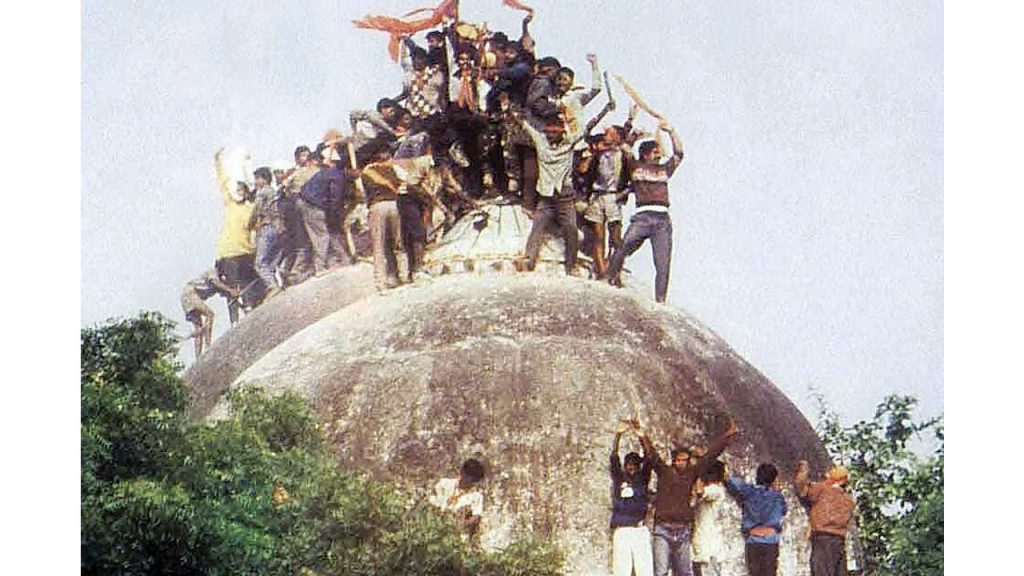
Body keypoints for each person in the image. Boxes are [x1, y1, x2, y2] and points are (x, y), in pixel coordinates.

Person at [637, 420, 739, 576]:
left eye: (685, 460)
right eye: (679, 460)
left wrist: (726, 436)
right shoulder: (665, 472)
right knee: (661, 571)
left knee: (685, 572)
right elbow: (652, 455)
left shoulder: (692, 473)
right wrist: (642, 435)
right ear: (674, 460)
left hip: (683, 530)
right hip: (663, 529)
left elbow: (710, 456)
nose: (682, 463)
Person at [605, 119, 685, 303]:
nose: (659, 154)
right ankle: (607, 278)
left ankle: (661, 299)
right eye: (655, 151)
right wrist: (632, 128)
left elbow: (679, 153)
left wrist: (671, 131)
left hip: (662, 219)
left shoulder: (665, 169)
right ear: (646, 154)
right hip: (643, 217)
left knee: (663, 262)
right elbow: (624, 147)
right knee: (624, 247)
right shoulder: (636, 167)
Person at [213, 148, 260, 324]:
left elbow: (256, 227)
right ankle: (234, 321)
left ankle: (251, 310)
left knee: (250, 283)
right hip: (229, 252)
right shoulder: (230, 203)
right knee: (232, 289)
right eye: (238, 189)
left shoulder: (250, 208)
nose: (240, 191)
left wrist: (247, 163)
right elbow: (223, 182)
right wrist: (218, 161)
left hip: (246, 251)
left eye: (242, 189)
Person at [794, 460, 857, 576]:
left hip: (822, 540)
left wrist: (803, 469)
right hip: (839, 542)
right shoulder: (848, 501)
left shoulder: (822, 490)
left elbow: (801, 488)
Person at [726, 463, 788, 576]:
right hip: (770, 541)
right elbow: (783, 511)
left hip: (753, 540)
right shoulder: (777, 497)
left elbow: (732, 482)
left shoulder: (749, 492)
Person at [298, 146, 351, 276]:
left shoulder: (324, 172)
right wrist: (336, 214)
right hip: (312, 205)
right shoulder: (335, 174)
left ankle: (343, 258)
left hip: (306, 202)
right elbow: (335, 197)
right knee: (321, 235)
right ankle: (320, 267)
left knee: (326, 232)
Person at [609, 419, 654, 576]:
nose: (632, 467)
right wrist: (618, 435)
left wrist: (642, 436)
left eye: (635, 464)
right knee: (621, 571)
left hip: (639, 529)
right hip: (622, 530)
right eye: (629, 464)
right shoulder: (619, 479)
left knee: (645, 571)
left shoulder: (642, 480)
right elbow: (614, 457)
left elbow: (649, 458)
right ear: (625, 465)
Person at [360, 142, 405, 290]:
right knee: (398, 242)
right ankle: (403, 275)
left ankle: (380, 283)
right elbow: (403, 184)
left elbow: (361, 193)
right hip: (393, 203)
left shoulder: (366, 172)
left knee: (378, 246)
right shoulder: (393, 168)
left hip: (376, 206)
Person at [180, 268, 237, 357]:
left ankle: (198, 356)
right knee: (210, 315)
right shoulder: (213, 272)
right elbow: (215, 281)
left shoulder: (220, 281)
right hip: (190, 293)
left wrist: (234, 294)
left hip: (188, 296)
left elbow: (227, 294)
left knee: (198, 329)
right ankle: (208, 345)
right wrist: (230, 290)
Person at [430, 458, 486, 543]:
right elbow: (431, 499)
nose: (468, 481)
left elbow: (476, 517)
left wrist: (462, 524)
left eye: (473, 480)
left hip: (457, 535)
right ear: (462, 472)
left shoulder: (476, 496)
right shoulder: (444, 484)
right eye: (467, 476)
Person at [251, 166, 286, 300]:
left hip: (268, 227)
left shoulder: (263, 192)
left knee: (260, 263)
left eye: (257, 178)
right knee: (271, 262)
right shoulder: (273, 191)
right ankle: (276, 285)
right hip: (279, 228)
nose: (255, 182)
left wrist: (249, 224)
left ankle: (273, 285)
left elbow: (256, 210)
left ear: (263, 179)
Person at [692, 460, 730, 576]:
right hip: (704, 545)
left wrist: (698, 473)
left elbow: (700, 492)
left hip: (708, 547)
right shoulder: (716, 490)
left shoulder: (715, 490)